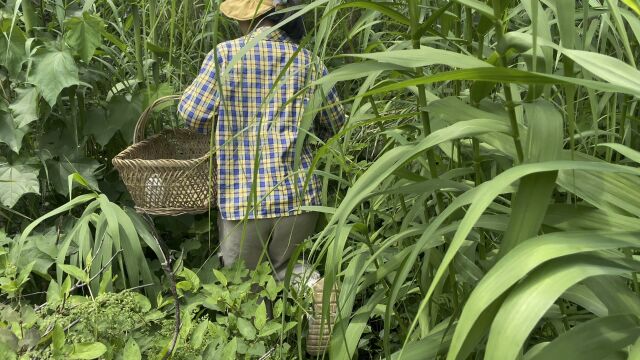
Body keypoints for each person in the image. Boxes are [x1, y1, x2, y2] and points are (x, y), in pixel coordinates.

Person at [177, 0, 345, 354]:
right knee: (286, 268)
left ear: (247, 18)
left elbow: (191, 115)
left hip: (243, 197)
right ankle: (315, 287)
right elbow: (336, 122)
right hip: (299, 194)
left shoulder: (225, 56)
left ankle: (265, 349)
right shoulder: (309, 61)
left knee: (244, 284)